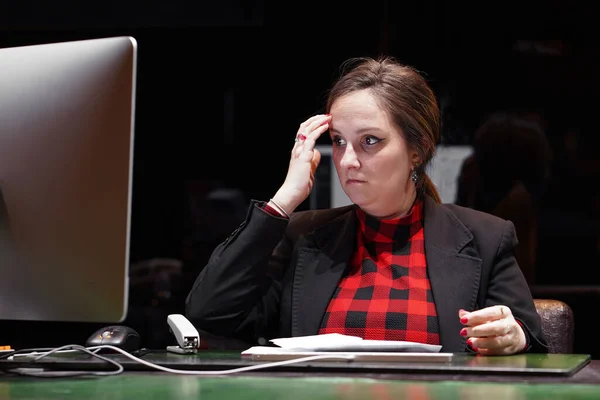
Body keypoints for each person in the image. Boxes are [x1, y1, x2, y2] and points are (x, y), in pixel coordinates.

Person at [185, 56, 548, 355]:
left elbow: (529, 339)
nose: (347, 160)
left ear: (416, 150)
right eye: (339, 141)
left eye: (369, 141)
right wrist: (283, 201)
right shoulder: (305, 237)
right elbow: (209, 313)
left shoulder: (485, 237)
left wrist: (513, 336)